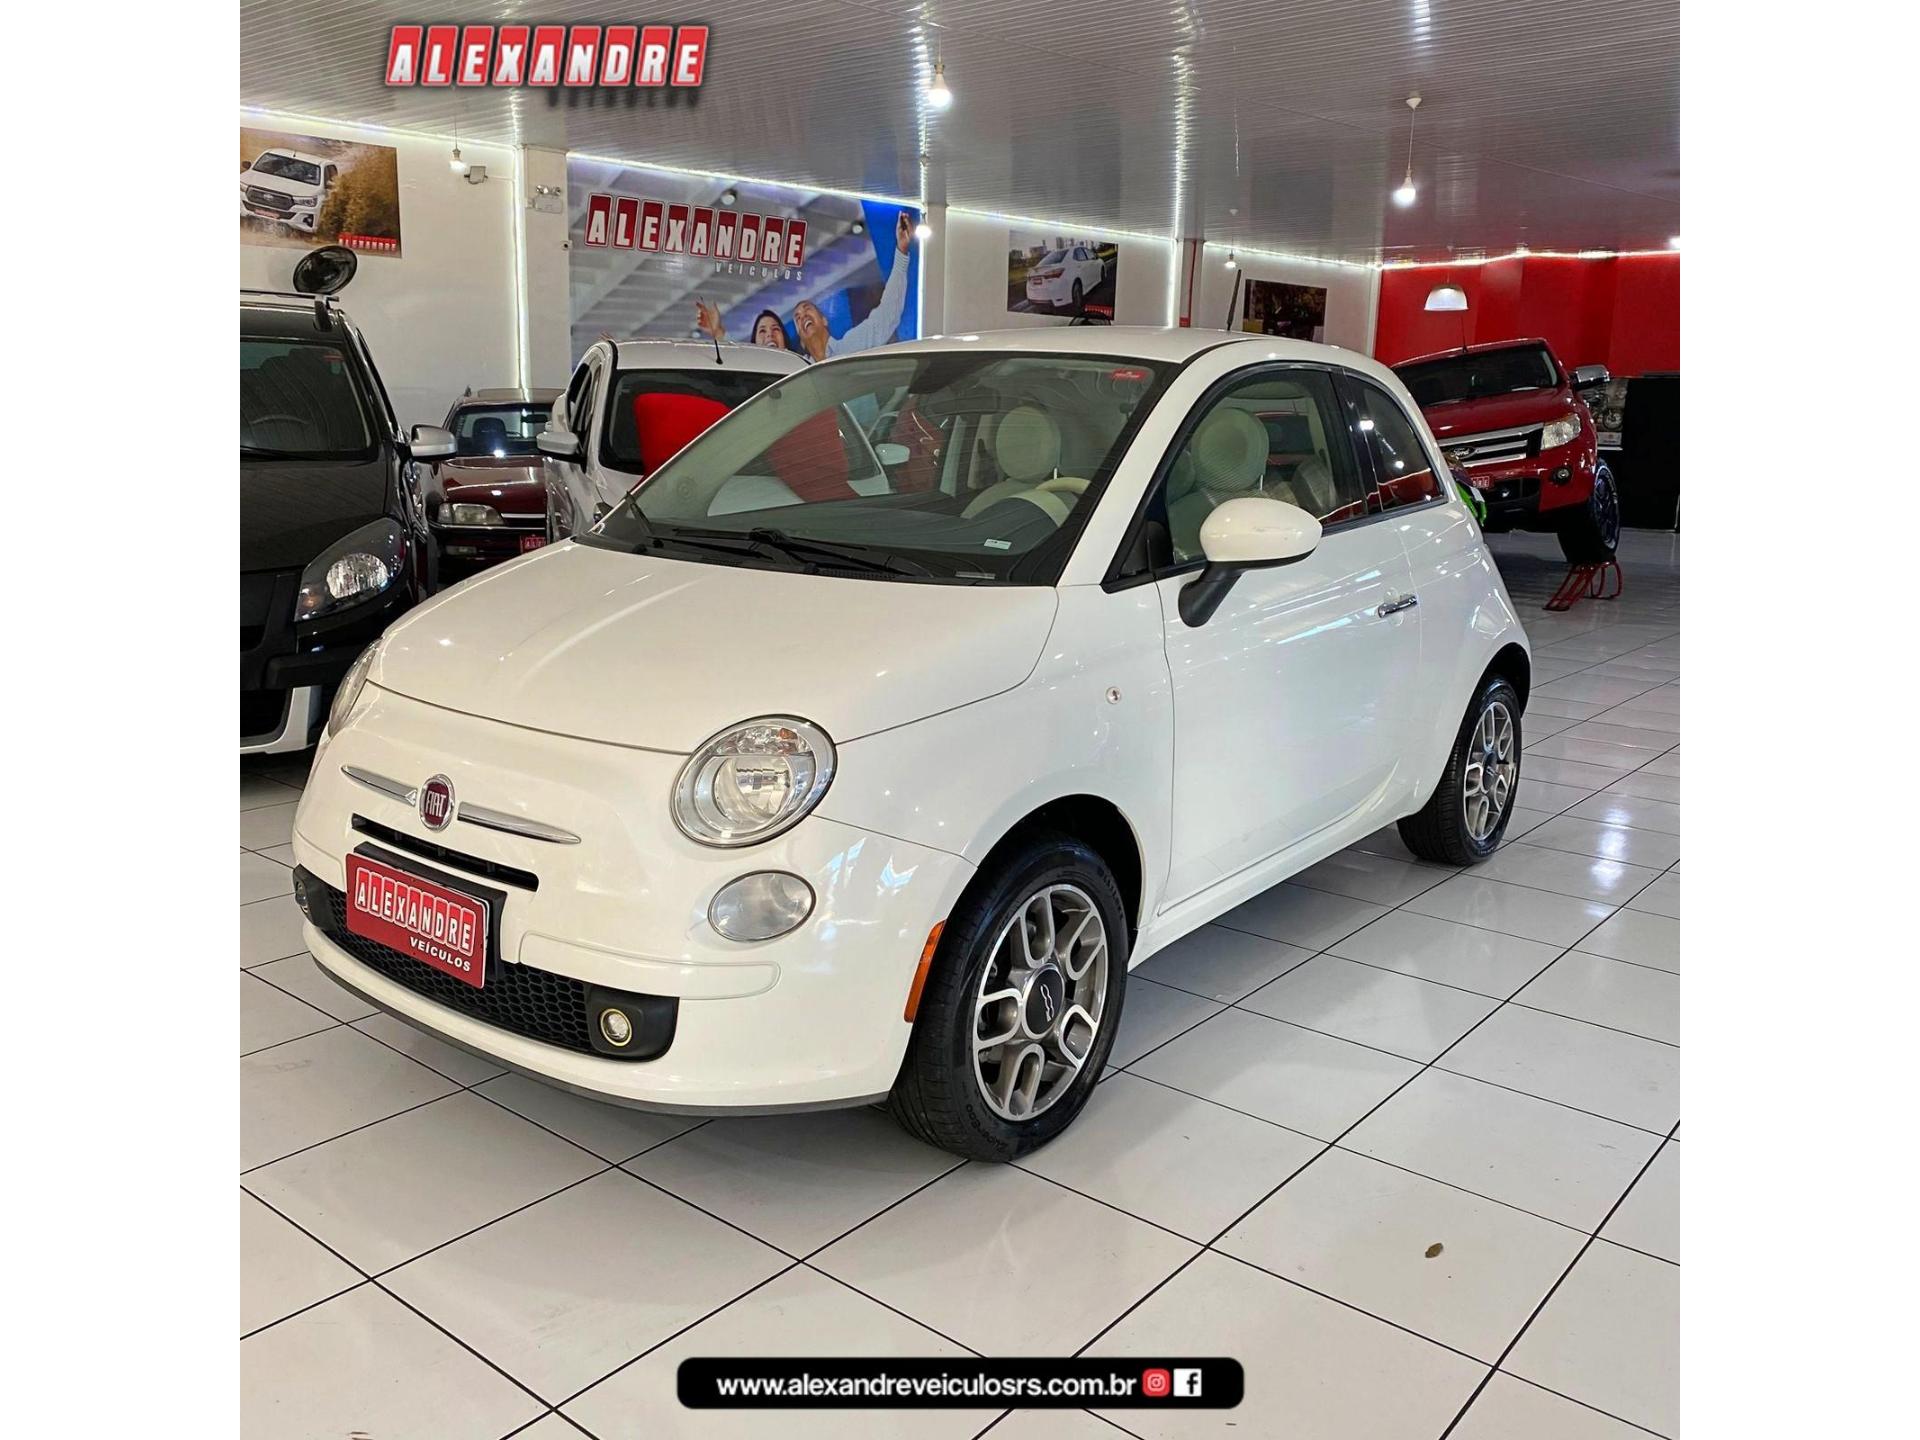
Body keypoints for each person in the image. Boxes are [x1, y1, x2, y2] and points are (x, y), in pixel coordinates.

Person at [693, 210, 915, 362]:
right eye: (797, 318)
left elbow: (887, 315)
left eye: (807, 309)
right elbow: (745, 361)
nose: (802, 316)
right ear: (798, 337)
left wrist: (901, 252)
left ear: (824, 320)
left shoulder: (851, 347)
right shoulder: (796, 371)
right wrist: (719, 333)